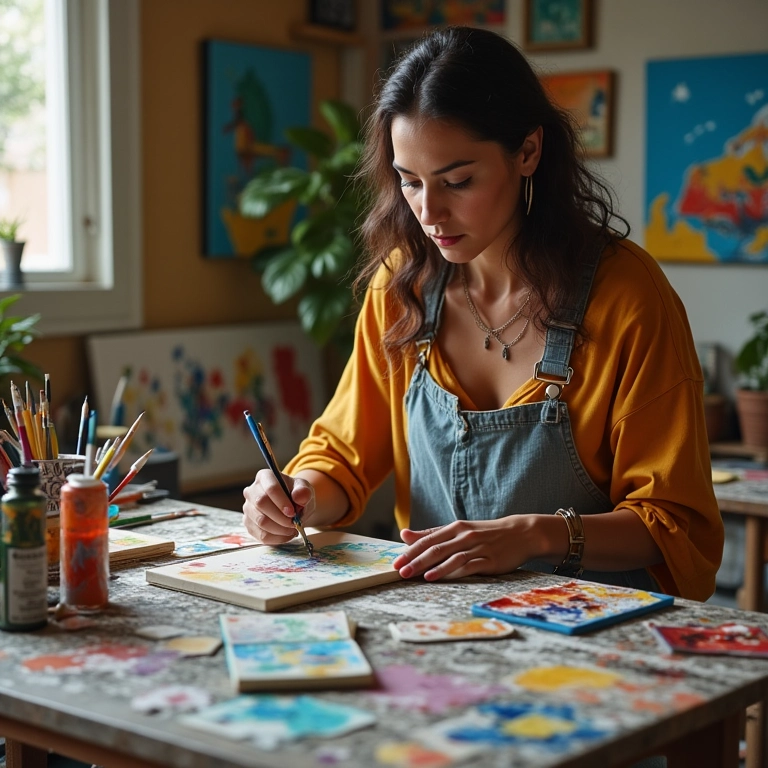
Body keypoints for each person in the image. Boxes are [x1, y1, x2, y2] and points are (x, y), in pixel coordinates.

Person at [242, 25, 723, 601]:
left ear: (528, 152)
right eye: (410, 182)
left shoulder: (628, 295)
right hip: (441, 628)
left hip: (598, 636)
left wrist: (530, 535)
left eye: (458, 181)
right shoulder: (404, 286)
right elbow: (344, 456)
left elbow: (674, 524)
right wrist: (300, 494)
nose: (429, 212)